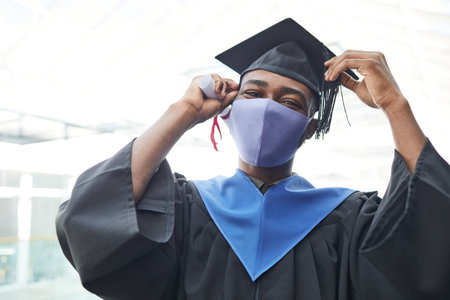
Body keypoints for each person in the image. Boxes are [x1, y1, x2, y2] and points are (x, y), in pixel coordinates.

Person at [56, 18, 450, 300]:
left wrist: (394, 105)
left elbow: (431, 240)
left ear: (308, 130)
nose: (266, 109)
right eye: (253, 94)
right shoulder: (186, 208)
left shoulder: (348, 219)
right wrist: (183, 112)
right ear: (227, 112)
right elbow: (90, 218)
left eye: (290, 102)